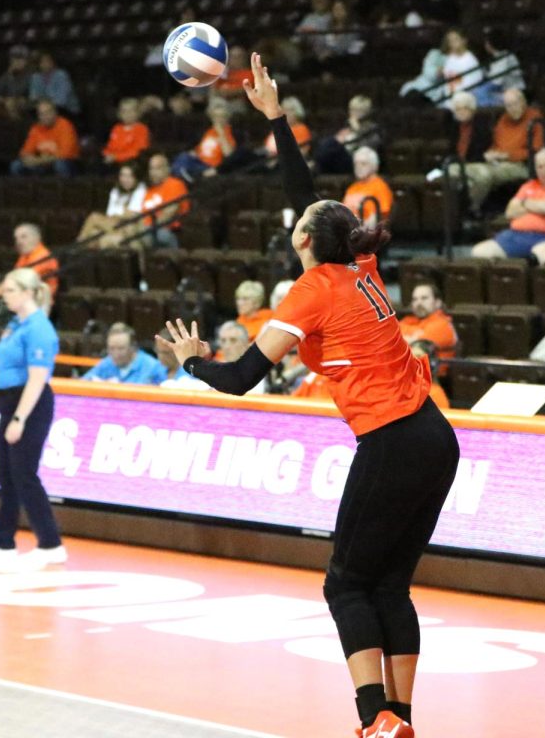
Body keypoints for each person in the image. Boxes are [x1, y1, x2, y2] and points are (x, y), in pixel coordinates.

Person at [159, 51, 459, 738]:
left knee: (344, 584)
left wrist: (194, 359)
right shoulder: (358, 265)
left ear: (301, 240)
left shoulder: (312, 290)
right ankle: (401, 721)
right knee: (388, 586)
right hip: (436, 437)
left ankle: (371, 718)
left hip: (390, 440)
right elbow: (308, 201)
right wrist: (275, 117)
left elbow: (240, 379)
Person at [0, 267, 65, 572]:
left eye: (9, 290)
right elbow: (1, 371)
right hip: (9, 401)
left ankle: (51, 544)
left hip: (30, 404)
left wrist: (20, 418)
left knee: (24, 475)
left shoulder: (39, 329)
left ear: (26, 292)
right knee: (6, 476)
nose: (3, 295)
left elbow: (37, 379)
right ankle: (3, 542)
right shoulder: (14, 324)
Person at [471, 147, 545, 263]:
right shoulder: (528, 186)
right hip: (516, 235)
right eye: (540, 167)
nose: (544, 170)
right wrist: (538, 208)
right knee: (479, 252)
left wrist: (524, 203)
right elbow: (510, 212)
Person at [448, 88, 543, 210]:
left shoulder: (535, 119)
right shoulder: (504, 119)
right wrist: (491, 153)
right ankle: (457, 210)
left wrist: (507, 156)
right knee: (452, 169)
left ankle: (469, 210)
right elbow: (495, 142)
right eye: (508, 105)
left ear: (524, 101)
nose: (512, 108)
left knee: (483, 175)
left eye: (515, 103)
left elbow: (535, 151)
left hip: (519, 165)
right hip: (496, 163)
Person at [76, 163, 147, 249]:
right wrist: (122, 211)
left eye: (129, 176)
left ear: (136, 178)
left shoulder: (141, 189)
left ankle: (77, 245)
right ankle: (79, 248)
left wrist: (120, 213)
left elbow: (133, 215)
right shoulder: (115, 191)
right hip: (114, 224)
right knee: (94, 233)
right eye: (123, 175)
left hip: (129, 227)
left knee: (94, 217)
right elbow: (110, 213)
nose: (125, 179)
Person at [171, 98, 237, 183]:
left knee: (182, 167)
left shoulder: (229, 132)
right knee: (183, 157)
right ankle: (184, 176)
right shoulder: (208, 131)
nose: (218, 120)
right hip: (198, 161)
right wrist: (194, 153)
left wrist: (221, 134)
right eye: (215, 117)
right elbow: (200, 149)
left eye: (221, 117)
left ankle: (186, 177)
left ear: (227, 117)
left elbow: (229, 154)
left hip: (211, 166)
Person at [10, 99, 80, 177]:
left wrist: (40, 160)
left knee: (60, 165)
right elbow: (25, 152)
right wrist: (29, 158)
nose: (45, 117)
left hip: (65, 162)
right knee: (16, 165)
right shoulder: (36, 128)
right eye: (41, 114)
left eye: (47, 112)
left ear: (55, 113)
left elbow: (65, 153)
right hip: (42, 163)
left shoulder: (65, 125)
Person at [315, 94, 383, 174]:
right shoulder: (347, 125)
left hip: (357, 160)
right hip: (342, 159)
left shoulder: (373, 128)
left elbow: (368, 148)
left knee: (330, 150)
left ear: (366, 112)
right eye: (351, 110)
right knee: (328, 144)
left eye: (358, 110)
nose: (353, 113)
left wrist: (357, 129)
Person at [82, 322, 167, 384]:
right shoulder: (107, 362)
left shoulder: (152, 366)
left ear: (133, 347)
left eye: (121, 348)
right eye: (111, 348)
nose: (116, 353)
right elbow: (83, 382)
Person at [140, 153, 191, 248]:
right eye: (151, 169)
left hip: (168, 231)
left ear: (167, 169)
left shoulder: (175, 184)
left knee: (140, 236)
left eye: (157, 168)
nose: (153, 172)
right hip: (147, 231)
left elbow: (168, 214)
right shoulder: (149, 190)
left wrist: (143, 228)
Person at [398, 282, 457, 359]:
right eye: (415, 299)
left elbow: (418, 351)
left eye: (424, 298)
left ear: (437, 303)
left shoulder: (443, 324)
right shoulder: (407, 321)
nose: (419, 303)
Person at [342, 147, 393, 225]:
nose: (358, 167)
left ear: (374, 166)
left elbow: (382, 218)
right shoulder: (352, 188)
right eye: (356, 164)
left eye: (363, 164)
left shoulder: (380, 187)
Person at [0, 44, 31, 121]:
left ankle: (19, 128)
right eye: (15, 59)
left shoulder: (31, 74)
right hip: (14, 103)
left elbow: (18, 92)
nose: (17, 62)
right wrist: (3, 100)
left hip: (32, 104)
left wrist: (15, 100)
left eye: (21, 59)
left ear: (26, 61)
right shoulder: (7, 75)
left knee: (10, 103)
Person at [13, 223, 60, 299]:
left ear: (36, 238)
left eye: (23, 237)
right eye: (16, 238)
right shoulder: (25, 255)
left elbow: (23, 280)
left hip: (40, 302)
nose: (18, 242)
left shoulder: (43, 256)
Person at [100, 98, 151, 168]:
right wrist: (106, 154)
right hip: (113, 162)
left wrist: (117, 157)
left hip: (132, 163)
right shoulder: (116, 128)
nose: (127, 114)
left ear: (137, 113)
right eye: (124, 111)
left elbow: (138, 151)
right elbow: (110, 146)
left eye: (130, 111)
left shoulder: (141, 129)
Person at [437, 29, 481, 109]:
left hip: (464, 105)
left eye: (455, 39)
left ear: (464, 40)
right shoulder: (449, 59)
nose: (452, 43)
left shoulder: (471, 60)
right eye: (450, 41)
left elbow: (472, 88)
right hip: (448, 103)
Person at [28, 51, 80, 116]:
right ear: (39, 64)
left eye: (48, 61)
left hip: (66, 110)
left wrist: (44, 101)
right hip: (43, 110)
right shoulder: (35, 77)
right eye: (42, 62)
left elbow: (61, 101)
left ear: (53, 62)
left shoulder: (61, 75)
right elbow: (33, 97)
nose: (45, 64)